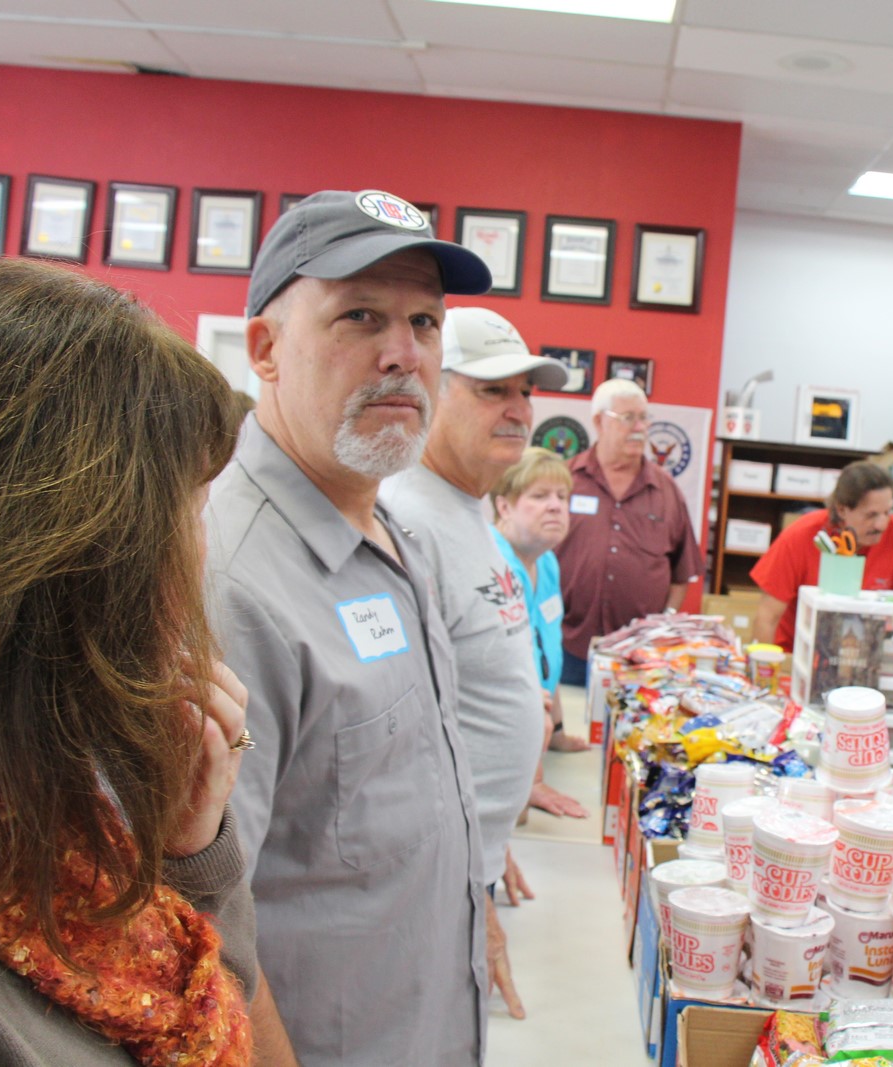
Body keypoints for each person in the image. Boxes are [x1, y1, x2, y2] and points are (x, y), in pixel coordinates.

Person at [0, 258, 294, 1065]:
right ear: (71, 572)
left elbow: (189, 1017)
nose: (202, 554)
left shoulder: (25, 835)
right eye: (188, 512)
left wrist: (190, 863)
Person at [207, 190, 492, 1066]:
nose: (402, 355)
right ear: (265, 349)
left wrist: (468, 918)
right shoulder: (229, 580)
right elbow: (195, 924)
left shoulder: (392, 532)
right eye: (359, 316)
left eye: (424, 322)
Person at [377, 306, 571, 1021]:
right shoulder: (407, 520)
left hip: (472, 863)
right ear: (430, 387)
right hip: (431, 887)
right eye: (493, 390)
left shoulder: (467, 509)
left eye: (525, 391)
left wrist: (492, 844)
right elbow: (406, 743)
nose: (519, 409)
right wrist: (471, 886)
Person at [555, 378, 704, 686]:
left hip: (640, 656)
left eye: (644, 417)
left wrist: (661, 628)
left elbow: (681, 574)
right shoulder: (565, 481)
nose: (640, 428)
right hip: (566, 645)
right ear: (599, 422)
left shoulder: (666, 491)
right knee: (565, 730)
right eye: (628, 418)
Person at [750, 461, 893, 651]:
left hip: (873, 657)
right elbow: (767, 617)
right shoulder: (801, 535)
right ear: (842, 510)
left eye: (887, 512)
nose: (881, 524)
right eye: (871, 515)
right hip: (800, 654)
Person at [492, 447, 590, 754]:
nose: (555, 506)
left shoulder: (546, 561)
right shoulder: (492, 564)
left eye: (562, 497)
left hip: (535, 732)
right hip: (499, 739)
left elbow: (548, 649)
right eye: (539, 496)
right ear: (504, 507)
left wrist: (557, 731)